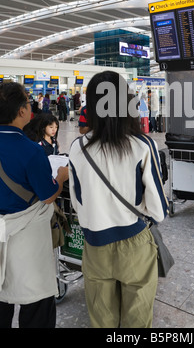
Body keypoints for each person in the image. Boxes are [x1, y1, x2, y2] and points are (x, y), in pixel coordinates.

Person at [68, 71, 169, 328]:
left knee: (102, 318)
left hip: (95, 243)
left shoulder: (78, 148)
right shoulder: (142, 145)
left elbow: (77, 201)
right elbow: (158, 209)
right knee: (137, 318)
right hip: (134, 242)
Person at [0, 82, 68, 328]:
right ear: (20, 111)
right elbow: (48, 194)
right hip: (25, 239)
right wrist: (60, 178)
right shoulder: (30, 151)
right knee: (36, 302)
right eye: (29, 103)